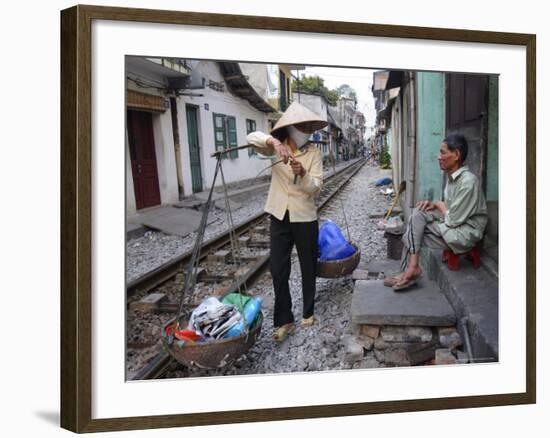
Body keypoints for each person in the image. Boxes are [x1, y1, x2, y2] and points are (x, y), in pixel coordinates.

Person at [247, 102, 327, 341]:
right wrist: (273, 142)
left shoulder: (313, 153)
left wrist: (302, 173)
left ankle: (308, 310)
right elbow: (252, 137)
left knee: (308, 265)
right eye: (301, 126)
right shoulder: (275, 147)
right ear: (291, 128)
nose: (305, 131)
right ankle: (284, 319)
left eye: (308, 127)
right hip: (280, 214)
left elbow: (316, 187)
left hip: (304, 216)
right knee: (279, 269)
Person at [384, 134, 488, 291]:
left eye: (443, 152)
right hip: (455, 225)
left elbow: (453, 219)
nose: (439, 157)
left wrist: (439, 205)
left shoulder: (468, 182)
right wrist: (433, 205)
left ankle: (411, 270)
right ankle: (410, 270)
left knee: (414, 229)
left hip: (465, 232)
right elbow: (453, 208)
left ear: (457, 155)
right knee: (417, 216)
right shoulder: (452, 179)